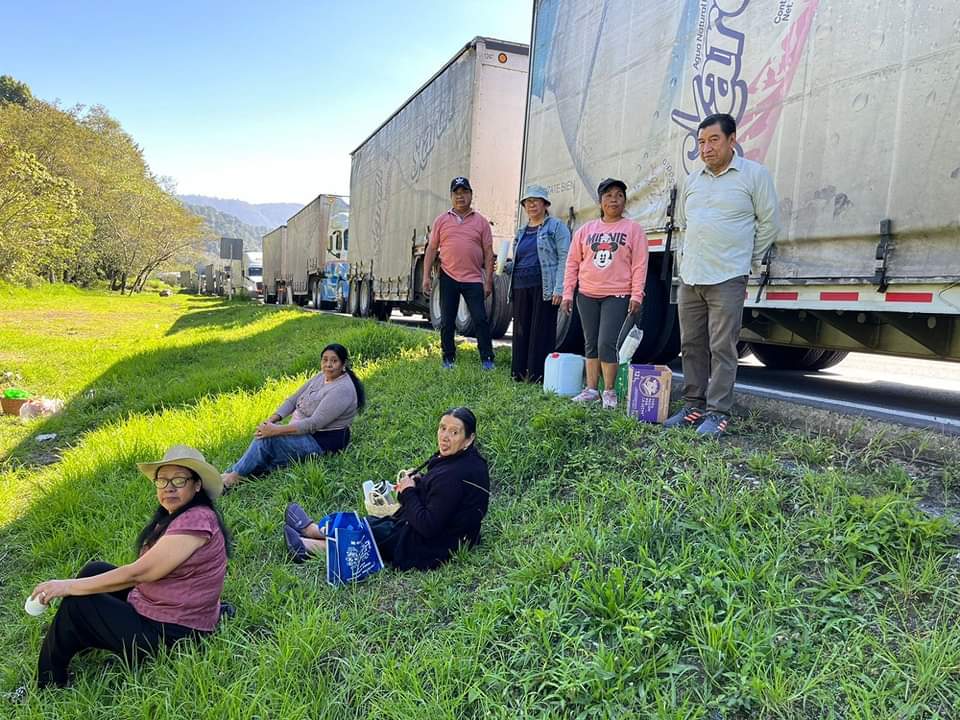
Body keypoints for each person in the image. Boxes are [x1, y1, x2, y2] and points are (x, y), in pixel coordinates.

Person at [28, 445, 231, 689]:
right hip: (163, 610)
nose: (169, 487)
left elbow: (140, 573)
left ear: (197, 485)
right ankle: (77, 636)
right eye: (162, 480)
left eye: (179, 479)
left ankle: (48, 683)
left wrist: (68, 586)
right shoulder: (180, 515)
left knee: (78, 604)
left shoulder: (197, 519)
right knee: (95, 570)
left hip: (174, 634)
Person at [666, 113, 781, 438]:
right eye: (701, 142)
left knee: (722, 347)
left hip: (727, 276)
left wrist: (745, 259)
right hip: (692, 276)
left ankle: (718, 413)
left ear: (732, 140)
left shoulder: (754, 175)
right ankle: (693, 406)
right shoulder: (693, 180)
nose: (706, 148)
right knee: (691, 344)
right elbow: (687, 225)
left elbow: (769, 223)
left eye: (714, 140)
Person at [284, 407, 490, 571]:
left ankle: (309, 547)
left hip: (433, 545)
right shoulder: (466, 460)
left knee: (373, 534)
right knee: (373, 524)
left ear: (469, 438)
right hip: (454, 533)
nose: (444, 436)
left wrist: (409, 491)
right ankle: (314, 530)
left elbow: (428, 525)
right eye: (442, 428)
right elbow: (443, 495)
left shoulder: (453, 475)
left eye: (454, 432)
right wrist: (420, 480)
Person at [221, 343, 365, 488]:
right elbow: (293, 399)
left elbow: (313, 424)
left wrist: (275, 431)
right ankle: (234, 474)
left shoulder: (342, 389)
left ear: (343, 364)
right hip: (302, 431)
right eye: (325, 360)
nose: (328, 364)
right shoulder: (321, 376)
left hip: (321, 442)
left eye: (334, 361)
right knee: (267, 445)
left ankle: (233, 476)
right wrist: (271, 421)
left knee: (267, 441)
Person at [560, 178, 649, 409]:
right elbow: (572, 263)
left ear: (624, 201)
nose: (614, 199)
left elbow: (640, 264)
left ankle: (608, 391)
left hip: (617, 294)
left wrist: (636, 295)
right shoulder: (586, 230)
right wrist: (568, 292)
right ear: (600, 201)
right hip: (587, 293)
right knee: (590, 342)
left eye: (619, 195)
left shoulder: (633, 229)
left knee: (606, 342)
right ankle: (591, 389)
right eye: (608, 195)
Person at [421, 177, 496, 371]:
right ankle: (448, 358)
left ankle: (487, 359)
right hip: (448, 277)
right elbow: (431, 248)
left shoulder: (481, 222)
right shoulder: (441, 220)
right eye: (457, 193)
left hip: (473, 279)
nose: (460, 196)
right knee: (447, 321)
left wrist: (488, 281)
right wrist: (426, 276)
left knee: (480, 319)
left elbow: (488, 253)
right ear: (451, 196)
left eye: (464, 192)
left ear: (471, 194)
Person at [505, 184, 571, 383]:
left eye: (536, 201)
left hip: (544, 286)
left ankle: (538, 376)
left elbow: (564, 257)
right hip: (520, 285)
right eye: (528, 201)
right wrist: (507, 266)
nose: (532, 205)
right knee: (521, 330)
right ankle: (519, 374)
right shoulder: (521, 231)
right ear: (524, 206)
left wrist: (559, 288)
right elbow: (520, 259)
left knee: (541, 332)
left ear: (545, 204)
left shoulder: (556, 227)